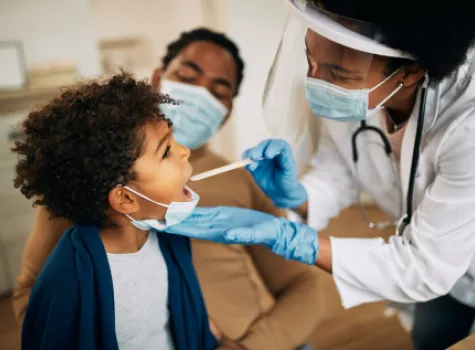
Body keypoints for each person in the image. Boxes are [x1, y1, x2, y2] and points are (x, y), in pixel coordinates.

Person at [161, 1, 475, 349]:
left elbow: (423, 268)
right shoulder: (356, 89)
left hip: (443, 260)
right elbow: (339, 172)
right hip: (443, 274)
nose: (318, 82)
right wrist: (297, 196)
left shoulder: (466, 127)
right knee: (431, 335)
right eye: (312, 62)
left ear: (410, 73)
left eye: (338, 76)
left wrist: (295, 240)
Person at [12, 28, 320, 350]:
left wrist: (251, 347)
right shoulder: (85, 180)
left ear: (228, 108)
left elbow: (302, 285)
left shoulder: (246, 178)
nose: (200, 95)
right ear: (158, 78)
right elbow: (34, 296)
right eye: (187, 76)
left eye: (219, 88)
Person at [12, 72, 226, 350]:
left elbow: (181, 317)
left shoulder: (169, 240)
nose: (184, 151)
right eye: (165, 152)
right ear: (125, 199)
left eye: (174, 141)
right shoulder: (65, 283)